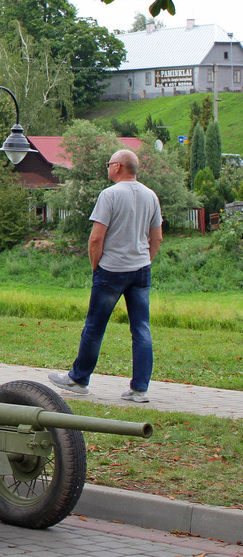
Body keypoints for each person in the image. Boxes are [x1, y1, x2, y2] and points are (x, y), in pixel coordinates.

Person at [49, 149, 163, 403]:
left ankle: (79, 380)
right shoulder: (151, 195)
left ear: (119, 167)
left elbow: (96, 237)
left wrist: (96, 267)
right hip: (141, 271)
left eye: (109, 163)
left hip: (111, 271)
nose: (107, 167)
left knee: (95, 326)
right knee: (141, 328)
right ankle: (140, 389)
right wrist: (145, 260)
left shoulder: (109, 195)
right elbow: (157, 237)